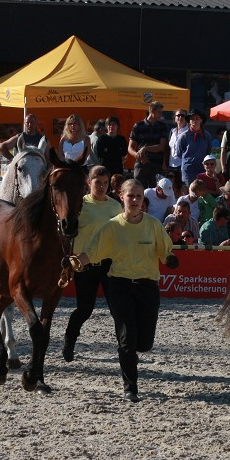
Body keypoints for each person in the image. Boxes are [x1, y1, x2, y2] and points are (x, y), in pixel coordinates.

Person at [73, 178, 178, 402]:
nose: (135, 200)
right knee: (127, 340)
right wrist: (75, 262)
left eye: (139, 196)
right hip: (119, 286)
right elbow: (91, 252)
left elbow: (165, 251)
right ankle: (130, 388)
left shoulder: (153, 225)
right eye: (130, 195)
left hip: (148, 287)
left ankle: (134, 356)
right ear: (121, 197)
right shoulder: (112, 226)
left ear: (143, 200)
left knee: (145, 343)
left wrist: (170, 259)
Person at [62, 166, 122, 362]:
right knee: (85, 309)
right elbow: (68, 232)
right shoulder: (80, 205)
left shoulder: (115, 206)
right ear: (89, 183)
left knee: (118, 309)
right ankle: (70, 339)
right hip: (85, 264)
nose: (102, 187)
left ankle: (125, 348)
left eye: (105, 183)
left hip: (109, 265)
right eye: (98, 183)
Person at [129, 101, 169, 189]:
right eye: (159, 112)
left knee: (155, 192)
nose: (161, 115)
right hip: (141, 165)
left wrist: (145, 149)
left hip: (156, 165)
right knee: (138, 189)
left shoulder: (162, 126)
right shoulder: (138, 126)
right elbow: (130, 147)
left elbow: (161, 147)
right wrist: (137, 155)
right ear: (152, 111)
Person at [176, 108, 213, 189]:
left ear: (201, 120)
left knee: (201, 194)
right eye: (192, 118)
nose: (194, 120)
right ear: (189, 121)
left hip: (202, 170)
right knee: (190, 195)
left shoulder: (207, 136)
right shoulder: (183, 136)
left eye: (197, 118)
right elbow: (179, 153)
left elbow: (208, 151)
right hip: (188, 171)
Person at [167, 109, 189, 174]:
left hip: (183, 165)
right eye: (178, 115)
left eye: (183, 115)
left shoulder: (189, 132)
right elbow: (169, 148)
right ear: (175, 118)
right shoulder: (172, 131)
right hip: (171, 165)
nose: (180, 117)